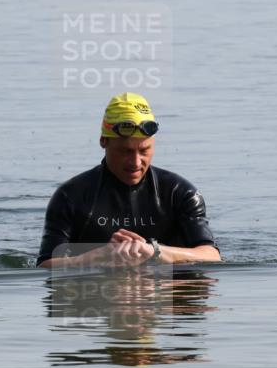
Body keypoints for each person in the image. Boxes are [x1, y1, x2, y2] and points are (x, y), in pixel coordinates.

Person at [37, 93, 221, 268]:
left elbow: (211, 256)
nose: (135, 162)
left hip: (164, 294)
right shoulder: (70, 196)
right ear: (103, 141)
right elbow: (45, 266)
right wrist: (98, 257)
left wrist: (154, 252)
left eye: (144, 151)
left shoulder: (179, 193)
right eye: (125, 151)